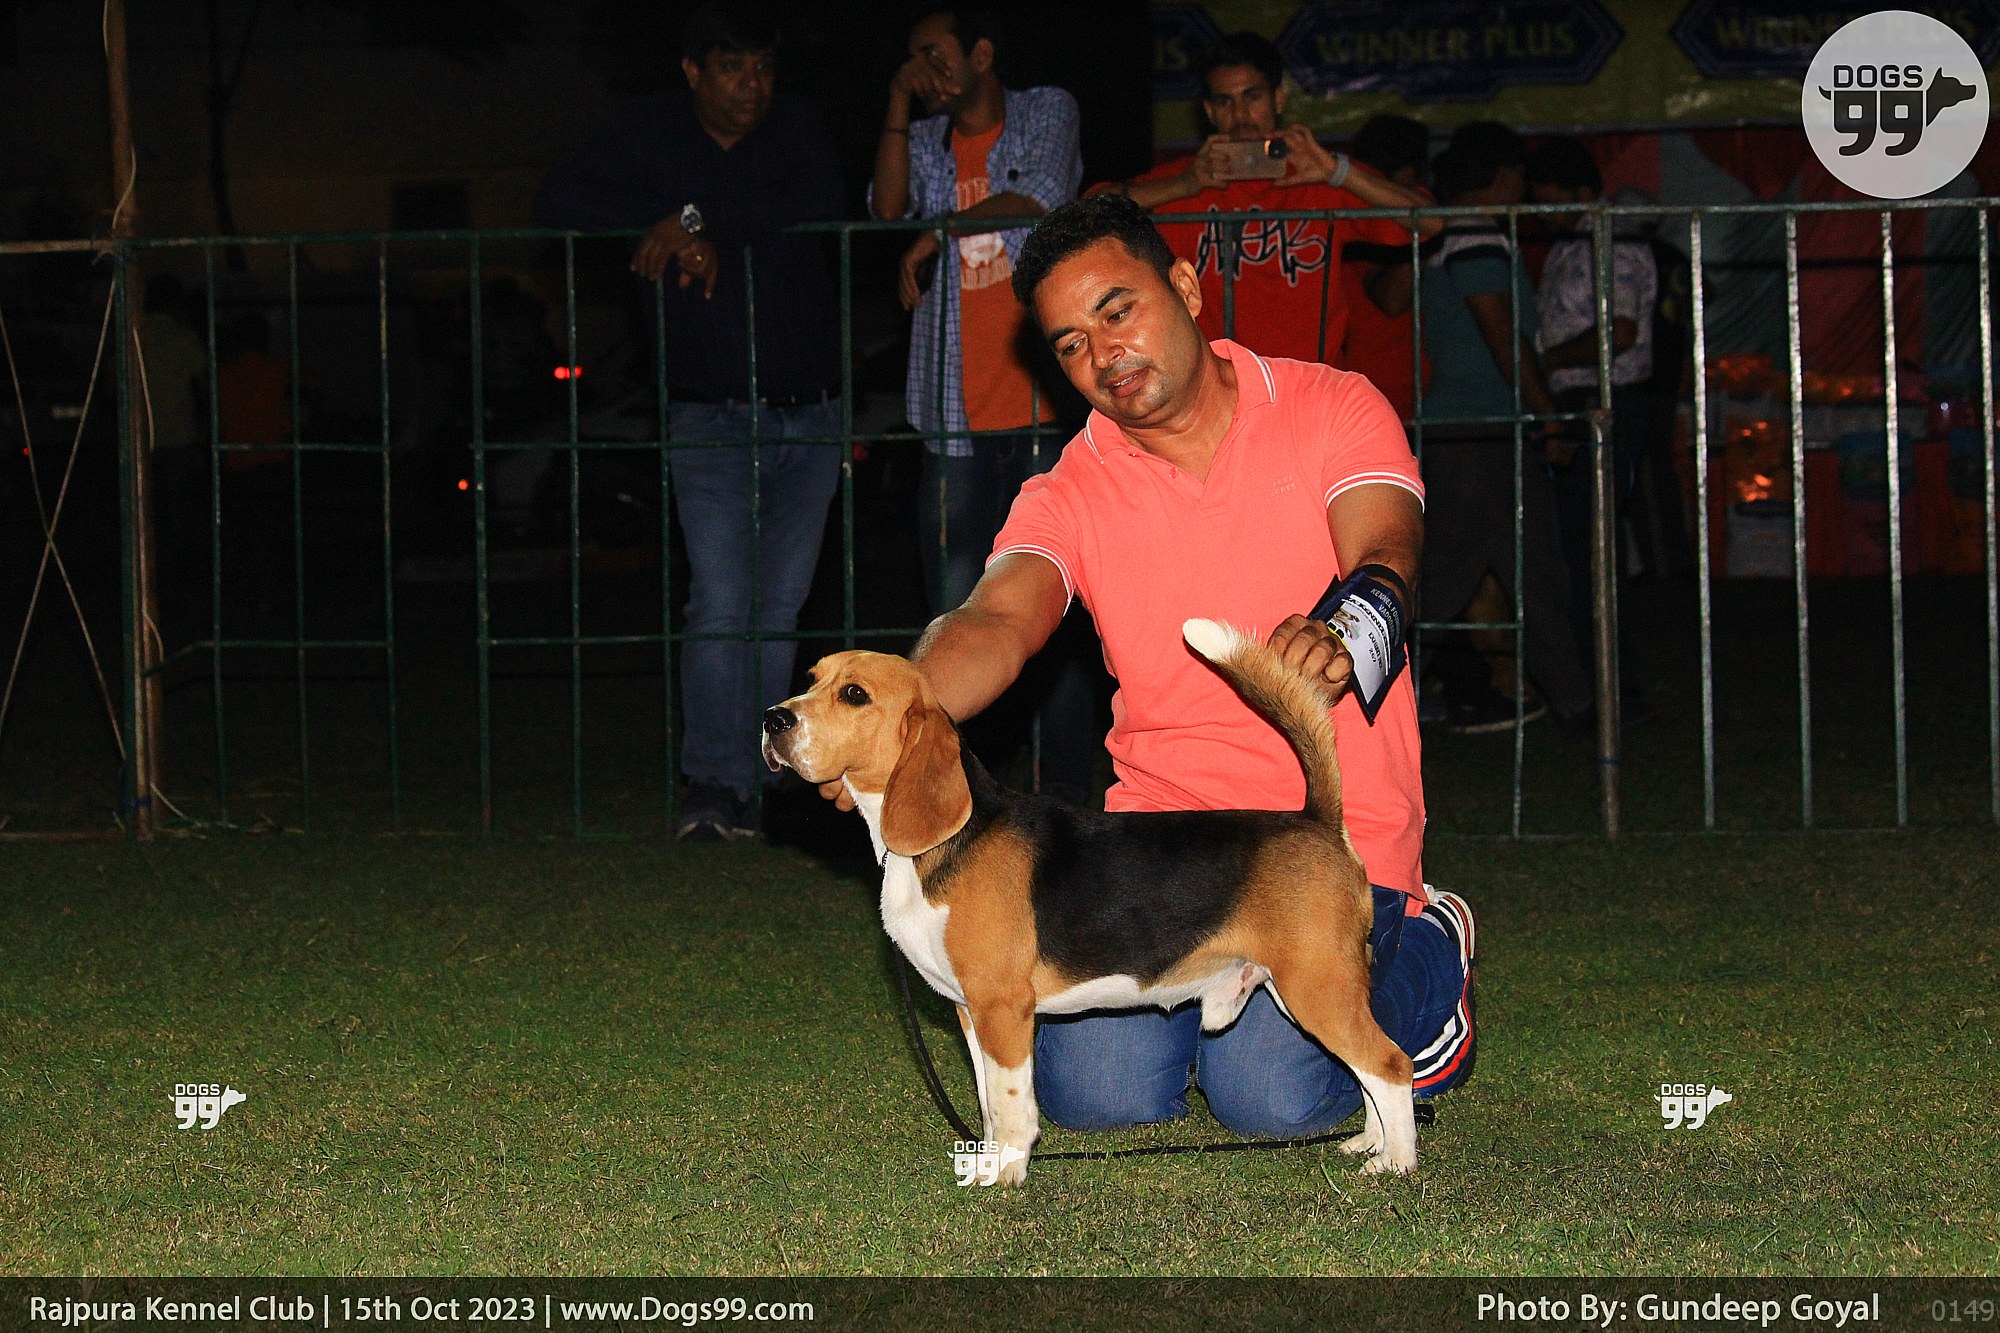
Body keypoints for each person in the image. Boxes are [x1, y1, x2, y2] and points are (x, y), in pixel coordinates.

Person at [824, 195, 1475, 1140]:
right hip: (1152, 847)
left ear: (1185, 286)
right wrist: (889, 718)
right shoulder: (1068, 490)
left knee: (1273, 1098)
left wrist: (1351, 621)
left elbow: (1387, 545)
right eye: (1071, 343)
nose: (1104, 354)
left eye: (1117, 311)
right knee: (1097, 1097)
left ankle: (1433, 950)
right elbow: (996, 619)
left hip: (1328, 837)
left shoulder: (1332, 403)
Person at [535, 3, 845, 841]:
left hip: (811, 408)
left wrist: (699, 220)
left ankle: (765, 782)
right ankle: (713, 783)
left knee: (777, 611)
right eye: (733, 67)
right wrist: (662, 225)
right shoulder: (651, 133)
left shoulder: (796, 129)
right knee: (721, 603)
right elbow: (555, 198)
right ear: (693, 71)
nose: (752, 86)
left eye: (763, 67)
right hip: (708, 411)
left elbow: (819, 194)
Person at [868, 3, 1098, 803]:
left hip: (1043, 409)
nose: (925, 70)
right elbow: (887, 207)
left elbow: (1039, 196)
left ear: (983, 53)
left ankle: (1065, 791)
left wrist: (942, 231)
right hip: (952, 412)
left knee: (1060, 607)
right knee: (957, 613)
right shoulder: (927, 139)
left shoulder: (1045, 111)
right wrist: (898, 102)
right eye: (914, 59)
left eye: (936, 55)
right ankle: (961, 791)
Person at [1091, 32, 1436, 370]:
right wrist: (1185, 184)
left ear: (1278, 99)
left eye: (1252, 97)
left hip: (1310, 387)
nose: (1240, 115)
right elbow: (1089, 211)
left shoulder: (1316, 175)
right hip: (1220, 389)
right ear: (1209, 110)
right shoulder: (1188, 180)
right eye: (1225, 102)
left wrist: (1336, 171)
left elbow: (1431, 221)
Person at [1416, 131, 1594, 733]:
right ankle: (1371, 694)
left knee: (1521, 569)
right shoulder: (1474, 235)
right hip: (1478, 428)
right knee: (1454, 578)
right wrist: (1548, 414)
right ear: (1500, 175)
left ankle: (1576, 700)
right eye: (1519, 173)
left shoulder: (1454, 232)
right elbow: (1501, 336)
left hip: (1477, 426)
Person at [1526, 135, 1659, 653]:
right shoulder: (1572, 243)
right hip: (1581, 396)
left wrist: (1547, 361)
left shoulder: (1612, 240)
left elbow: (1619, 332)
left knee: (1594, 540)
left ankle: (1607, 662)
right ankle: (1595, 656)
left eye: (1553, 201)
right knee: (1584, 539)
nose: (1546, 214)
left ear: (1583, 192)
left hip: (1604, 396)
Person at [1338, 115, 1432, 424]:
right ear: (1408, 174)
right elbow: (1391, 299)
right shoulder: (1355, 208)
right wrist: (1418, 229)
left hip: (1357, 391)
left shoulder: (1347, 205)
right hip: (1381, 393)